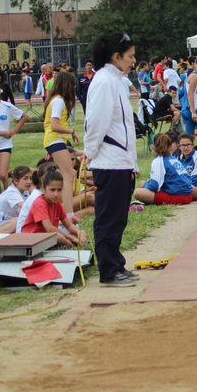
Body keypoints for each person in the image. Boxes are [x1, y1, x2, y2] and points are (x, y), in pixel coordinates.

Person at [84, 32, 140, 288]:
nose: (134, 60)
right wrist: (91, 152)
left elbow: (126, 126)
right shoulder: (104, 81)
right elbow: (96, 122)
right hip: (108, 162)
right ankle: (108, 271)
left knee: (119, 218)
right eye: (130, 56)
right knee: (108, 217)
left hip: (121, 161)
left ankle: (116, 263)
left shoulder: (118, 80)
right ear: (116, 57)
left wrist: (133, 163)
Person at [43, 70, 79, 221]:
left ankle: (66, 212)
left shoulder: (57, 100)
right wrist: (72, 130)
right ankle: (68, 214)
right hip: (54, 139)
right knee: (68, 175)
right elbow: (55, 125)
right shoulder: (58, 101)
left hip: (56, 140)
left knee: (69, 174)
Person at [21, 170, 88, 248]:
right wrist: (71, 238)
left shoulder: (57, 203)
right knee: (58, 236)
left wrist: (78, 233)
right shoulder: (39, 203)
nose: (56, 194)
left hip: (47, 236)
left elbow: (69, 225)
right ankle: (68, 244)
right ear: (43, 188)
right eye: (52, 190)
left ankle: (78, 242)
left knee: (81, 232)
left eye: (59, 190)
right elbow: (49, 229)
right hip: (31, 239)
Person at [133, 133, 197, 205]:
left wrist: (145, 184)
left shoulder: (158, 161)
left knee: (137, 192)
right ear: (170, 146)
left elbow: (154, 187)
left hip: (178, 196)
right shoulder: (172, 158)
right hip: (188, 194)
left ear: (153, 147)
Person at [0, 81, 27, 196]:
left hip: (5, 145)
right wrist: (3, 132)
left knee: (3, 175)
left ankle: (12, 199)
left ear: (0, 90)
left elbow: (23, 116)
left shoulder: (7, 106)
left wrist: (14, 130)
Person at [0, 166, 31, 234]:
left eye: (30, 178)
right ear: (16, 181)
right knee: (18, 221)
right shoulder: (12, 192)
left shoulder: (25, 191)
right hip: (0, 225)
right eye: (25, 179)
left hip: (11, 222)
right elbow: (26, 207)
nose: (29, 181)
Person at [177, 133, 197, 200]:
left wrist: (179, 186)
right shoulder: (178, 158)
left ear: (192, 145)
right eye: (183, 145)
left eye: (188, 145)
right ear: (178, 146)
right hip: (183, 187)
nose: (186, 148)